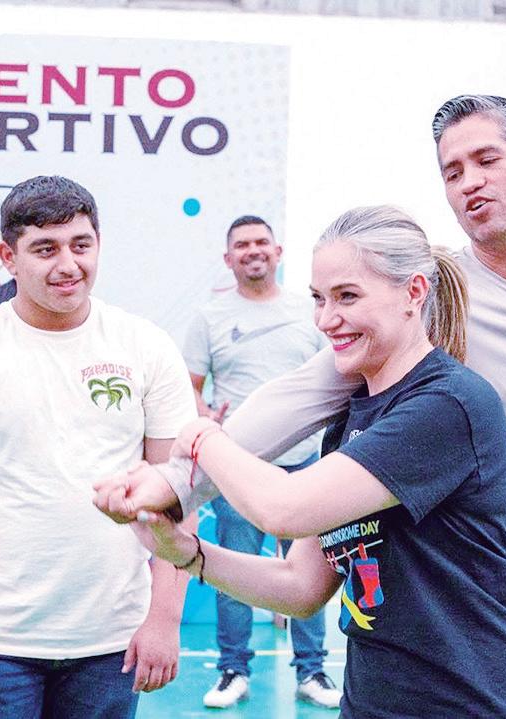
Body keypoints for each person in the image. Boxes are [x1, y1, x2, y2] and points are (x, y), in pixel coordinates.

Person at [109, 95, 506, 718]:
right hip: (489, 634)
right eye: (452, 171)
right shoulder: (431, 304)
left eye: (486, 159)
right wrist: (176, 484)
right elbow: (299, 398)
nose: (469, 181)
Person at [98, 205, 506, 718]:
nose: (326, 319)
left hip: (482, 703)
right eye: (319, 299)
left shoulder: (447, 405)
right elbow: (300, 586)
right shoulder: (352, 418)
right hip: (378, 701)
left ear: (413, 293)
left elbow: (285, 509)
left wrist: (201, 439)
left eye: (347, 296)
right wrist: (187, 553)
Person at [0, 176, 197, 717]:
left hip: (113, 643)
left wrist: (164, 619)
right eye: (45, 249)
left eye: (81, 245)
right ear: (8, 258)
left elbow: (178, 491)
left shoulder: (147, 347)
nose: (68, 264)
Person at [183, 215, 338, 709]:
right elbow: (191, 387)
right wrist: (207, 419)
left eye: (261, 242)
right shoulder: (209, 317)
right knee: (234, 573)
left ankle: (312, 672)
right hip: (238, 473)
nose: (253, 250)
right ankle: (233, 670)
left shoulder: (308, 312)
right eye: (242, 245)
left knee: (310, 573)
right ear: (228, 259)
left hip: (306, 468)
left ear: (278, 251)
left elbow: (336, 376)